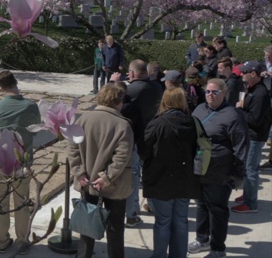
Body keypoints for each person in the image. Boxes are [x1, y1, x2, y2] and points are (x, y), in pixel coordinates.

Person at [68, 83, 134, 258]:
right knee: (115, 228)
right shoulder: (122, 125)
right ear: (118, 102)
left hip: (87, 182)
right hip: (114, 185)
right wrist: (106, 178)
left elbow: (72, 150)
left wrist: (79, 172)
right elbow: (122, 158)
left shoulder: (82, 119)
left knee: (87, 225)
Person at [188, 79, 248, 258]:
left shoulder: (233, 115)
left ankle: (218, 248)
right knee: (201, 205)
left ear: (224, 93)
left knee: (218, 210)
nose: (210, 95)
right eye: (207, 91)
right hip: (200, 169)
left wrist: (236, 174)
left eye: (214, 92)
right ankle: (202, 238)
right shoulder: (199, 109)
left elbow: (241, 145)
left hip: (220, 172)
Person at [0, 70, 41, 254]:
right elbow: (35, 130)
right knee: (22, 203)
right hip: (23, 163)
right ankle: (22, 241)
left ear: (0, 87)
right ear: (16, 82)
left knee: (1, 201)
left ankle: (1, 240)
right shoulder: (31, 106)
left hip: (1, 162)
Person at [141, 88, 201, 258]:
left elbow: (143, 151)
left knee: (163, 222)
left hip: (160, 180)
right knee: (181, 221)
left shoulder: (157, 123)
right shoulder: (192, 122)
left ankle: (159, 255)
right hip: (185, 180)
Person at [112, 59, 162, 227]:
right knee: (150, 174)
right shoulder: (156, 87)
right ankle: (154, 206)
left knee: (133, 176)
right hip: (152, 136)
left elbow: (111, 101)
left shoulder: (131, 90)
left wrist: (114, 83)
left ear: (132, 74)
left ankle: (131, 214)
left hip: (134, 138)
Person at [231, 61, 272, 214]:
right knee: (247, 168)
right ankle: (248, 194)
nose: (241, 74)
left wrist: (239, 109)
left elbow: (255, 119)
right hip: (250, 134)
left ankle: (250, 203)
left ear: (253, 74)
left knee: (251, 169)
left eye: (244, 72)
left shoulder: (260, 93)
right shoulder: (251, 88)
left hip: (255, 136)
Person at [260, 46, 272, 170]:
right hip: (267, 92)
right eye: (266, 55)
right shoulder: (264, 64)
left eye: (268, 56)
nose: (266, 58)